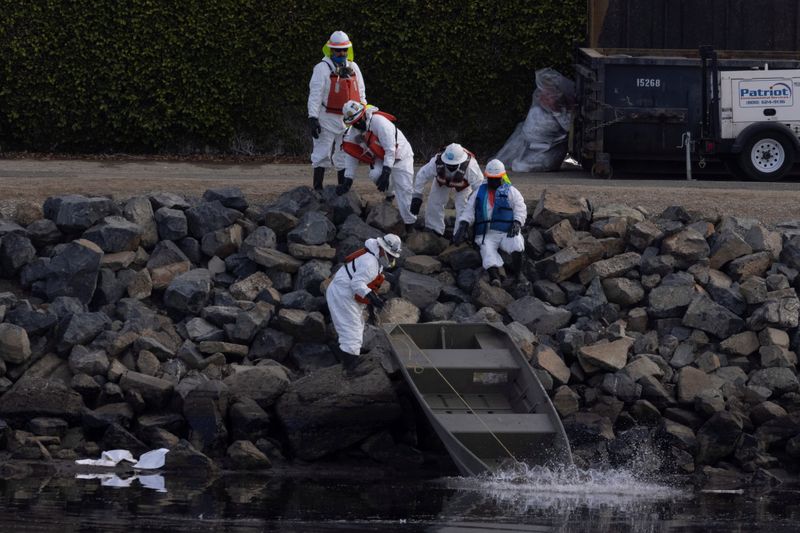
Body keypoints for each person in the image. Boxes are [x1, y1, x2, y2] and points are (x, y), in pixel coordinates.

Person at [325, 233, 402, 374]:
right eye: (390, 255)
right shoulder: (370, 263)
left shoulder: (374, 258)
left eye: (392, 256)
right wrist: (373, 298)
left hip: (348, 294)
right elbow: (357, 284)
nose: (390, 259)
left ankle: (351, 359)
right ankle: (349, 369)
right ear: (382, 248)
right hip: (342, 294)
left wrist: (372, 302)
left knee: (358, 327)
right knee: (351, 332)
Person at [338, 100, 417, 233]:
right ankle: (390, 194)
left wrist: (386, 171)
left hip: (401, 155)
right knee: (375, 175)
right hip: (381, 157)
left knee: (404, 189)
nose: (357, 124)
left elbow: (390, 150)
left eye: (358, 120)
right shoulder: (354, 131)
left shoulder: (380, 123)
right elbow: (351, 155)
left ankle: (410, 224)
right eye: (353, 122)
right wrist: (348, 179)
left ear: (363, 114)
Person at [452, 159, 526, 287]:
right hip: (486, 234)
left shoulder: (511, 191)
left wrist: (517, 222)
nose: (493, 181)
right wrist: (462, 226)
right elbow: (468, 211)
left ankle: (518, 274)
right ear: (487, 177)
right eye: (491, 178)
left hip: (506, 231)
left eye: (496, 178)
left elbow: (520, 207)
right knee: (487, 252)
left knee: (517, 243)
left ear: (502, 177)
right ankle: (495, 277)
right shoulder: (478, 193)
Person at [307, 31, 366, 191]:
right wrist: (313, 118)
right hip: (326, 119)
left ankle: (342, 192)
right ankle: (317, 190)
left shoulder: (353, 67)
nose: (342, 53)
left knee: (344, 156)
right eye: (338, 50)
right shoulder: (321, 69)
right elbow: (315, 94)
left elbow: (360, 93)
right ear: (331, 49)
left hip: (347, 121)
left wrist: (363, 116)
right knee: (321, 154)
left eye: (344, 50)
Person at [410, 143, 483, 237]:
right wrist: (417, 195)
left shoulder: (471, 166)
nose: (450, 167)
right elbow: (422, 175)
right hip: (441, 181)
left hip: (463, 186)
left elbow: (479, 187)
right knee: (434, 202)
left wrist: (475, 203)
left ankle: (459, 234)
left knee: (463, 207)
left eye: (454, 165)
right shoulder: (436, 162)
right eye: (448, 164)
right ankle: (434, 229)